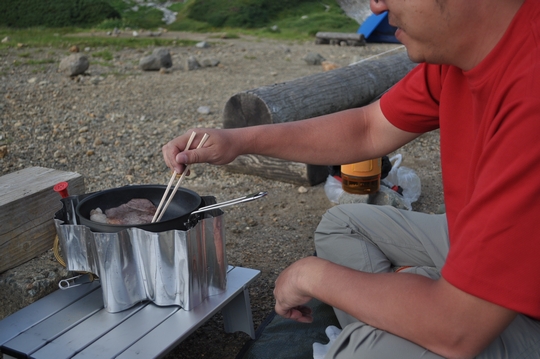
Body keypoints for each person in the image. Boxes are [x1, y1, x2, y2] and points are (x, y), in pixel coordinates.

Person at [162, 0, 540, 357]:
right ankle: (415, 305)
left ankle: (406, 317)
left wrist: (314, 277)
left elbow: (460, 329)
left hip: (516, 313)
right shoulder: (462, 51)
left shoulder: (530, 90)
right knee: (341, 224)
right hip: (483, 251)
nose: (375, 6)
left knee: (370, 350)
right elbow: (367, 127)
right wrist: (236, 141)